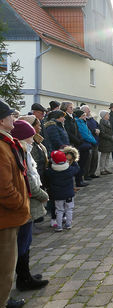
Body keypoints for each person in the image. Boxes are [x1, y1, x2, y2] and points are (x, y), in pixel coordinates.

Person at [10, 120, 49, 292]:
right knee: (23, 242)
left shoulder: (25, 150)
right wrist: (43, 195)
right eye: (30, 137)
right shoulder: (20, 153)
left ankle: (26, 275)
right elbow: (29, 181)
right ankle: (24, 279)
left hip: (29, 201)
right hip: (27, 202)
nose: (33, 140)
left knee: (26, 241)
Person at [0, 99, 30, 308]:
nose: (14, 117)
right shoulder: (1, 147)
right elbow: (4, 187)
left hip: (8, 216)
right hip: (5, 217)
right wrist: (21, 204)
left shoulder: (7, 142)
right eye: (10, 114)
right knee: (4, 268)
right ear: (2, 120)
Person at [45, 149, 80, 231]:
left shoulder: (50, 172)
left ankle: (59, 226)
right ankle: (68, 224)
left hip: (57, 195)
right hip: (69, 194)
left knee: (59, 210)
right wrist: (74, 160)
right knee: (69, 209)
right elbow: (77, 168)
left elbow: (46, 174)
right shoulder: (70, 170)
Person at [61, 102, 88, 187]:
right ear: (65, 109)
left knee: (80, 162)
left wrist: (80, 139)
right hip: (71, 143)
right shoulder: (65, 118)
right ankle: (77, 181)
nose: (72, 109)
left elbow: (77, 130)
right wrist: (77, 140)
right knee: (74, 163)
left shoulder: (72, 117)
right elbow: (68, 132)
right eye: (70, 108)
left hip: (77, 142)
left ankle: (79, 179)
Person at [74, 110, 97, 183]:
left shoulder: (83, 122)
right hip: (84, 144)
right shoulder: (78, 123)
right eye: (83, 115)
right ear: (80, 116)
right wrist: (93, 141)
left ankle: (83, 178)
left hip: (88, 143)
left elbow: (88, 132)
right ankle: (82, 178)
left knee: (86, 161)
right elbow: (84, 134)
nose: (85, 117)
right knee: (83, 162)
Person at [80, 105, 100, 179]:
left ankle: (92, 172)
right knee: (88, 159)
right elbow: (86, 131)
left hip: (95, 140)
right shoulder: (83, 120)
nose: (89, 111)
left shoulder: (91, 119)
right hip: (88, 142)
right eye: (88, 110)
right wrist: (94, 131)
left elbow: (97, 125)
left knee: (95, 158)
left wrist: (98, 129)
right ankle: (86, 174)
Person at [98, 110, 113, 175]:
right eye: (108, 115)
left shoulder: (108, 122)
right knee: (104, 156)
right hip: (104, 142)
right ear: (104, 116)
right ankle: (102, 169)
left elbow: (111, 131)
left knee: (107, 156)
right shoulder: (102, 123)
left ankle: (106, 168)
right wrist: (110, 137)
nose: (109, 116)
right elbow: (102, 133)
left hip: (109, 142)